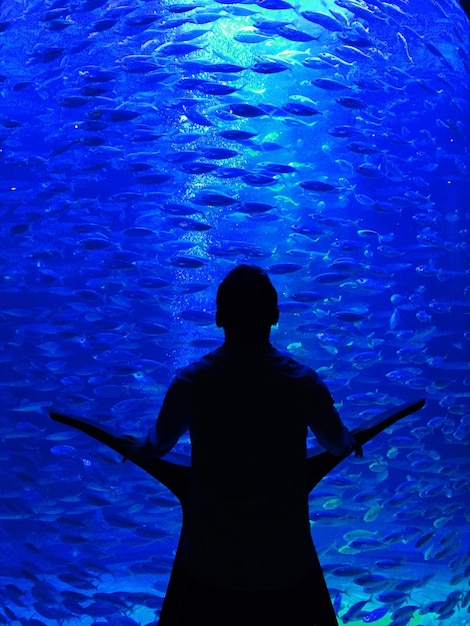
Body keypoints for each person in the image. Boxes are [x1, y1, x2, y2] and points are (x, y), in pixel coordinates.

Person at [123, 264, 360, 626]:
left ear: (218, 318)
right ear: (275, 316)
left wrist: (136, 445)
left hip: (209, 563)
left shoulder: (192, 382)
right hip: (286, 562)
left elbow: (157, 446)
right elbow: (336, 444)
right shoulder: (302, 382)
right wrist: (351, 440)